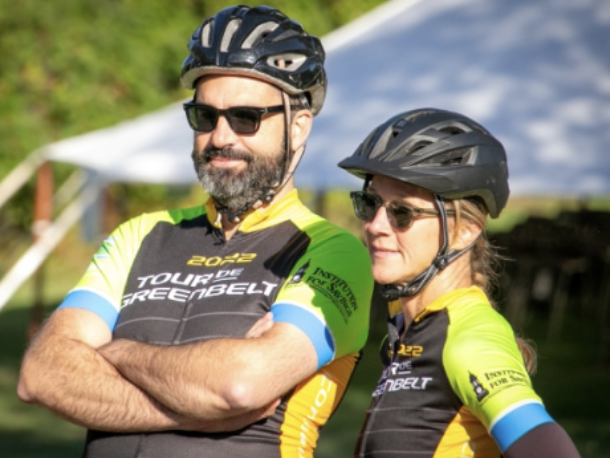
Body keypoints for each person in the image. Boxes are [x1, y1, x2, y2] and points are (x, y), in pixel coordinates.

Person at [17, 5, 373, 458]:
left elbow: (240, 386)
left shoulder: (330, 249)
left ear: (298, 126)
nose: (221, 136)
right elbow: (42, 374)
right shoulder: (141, 233)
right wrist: (192, 409)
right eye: (204, 116)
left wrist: (116, 352)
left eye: (246, 117)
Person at [338, 108, 581, 458]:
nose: (376, 225)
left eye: (402, 212)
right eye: (370, 202)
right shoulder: (411, 329)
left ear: (465, 231)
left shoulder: (468, 337)